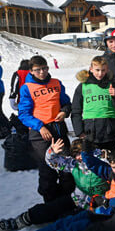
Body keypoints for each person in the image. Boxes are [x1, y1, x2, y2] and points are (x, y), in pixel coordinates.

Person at [0, 138, 107, 231]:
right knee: (50, 208)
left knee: (67, 221)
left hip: (95, 205)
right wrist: (52, 152)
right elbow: (53, 162)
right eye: (76, 155)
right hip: (77, 199)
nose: (79, 157)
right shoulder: (74, 164)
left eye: (81, 153)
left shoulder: (101, 164)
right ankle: (21, 220)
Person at [18, 55, 73, 202]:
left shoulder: (56, 83)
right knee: (47, 169)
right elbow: (23, 114)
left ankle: (66, 200)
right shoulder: (27, 88)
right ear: (31, 71)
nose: (42, 72)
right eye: (37, 70)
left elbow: (66, 103)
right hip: (40, 133)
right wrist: (39, 126)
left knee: (66, 166)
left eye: (44, 68)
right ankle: (50, 202)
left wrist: (64, 111)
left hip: (58, 129)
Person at [71, 56, 115, 152]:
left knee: (113, 158)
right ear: (91, 69)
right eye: (97, 70)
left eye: (103, 70)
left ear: (107, 69)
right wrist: (79, 131)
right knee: (94, 159)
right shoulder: (83, 86)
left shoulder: (112, 84)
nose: (100, 73)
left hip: (110, 128)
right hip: (91, 130)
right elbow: (76, 110)